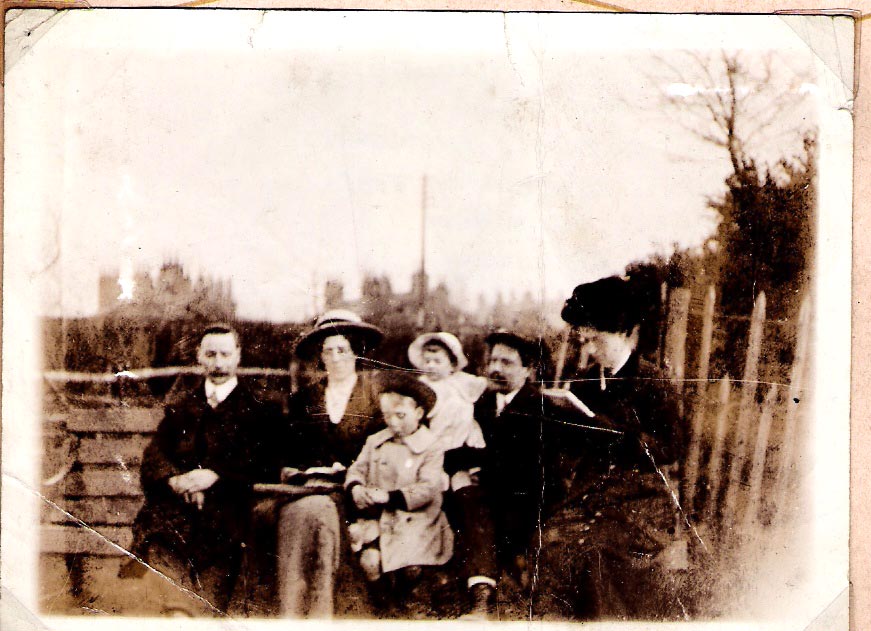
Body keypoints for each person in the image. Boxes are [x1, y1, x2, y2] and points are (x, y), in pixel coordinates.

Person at [534, 275, 687, 620]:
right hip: (592, 491)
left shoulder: (652, 382)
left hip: (641, 498)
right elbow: (574, 451)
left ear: (620, 331)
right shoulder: (586, 381)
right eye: (582, 339)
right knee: (556, 543)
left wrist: (622, 436)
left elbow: (670, 449)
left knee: (598, 551)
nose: (587, 348)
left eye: (594, 337)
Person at [123, 323, 274, 616]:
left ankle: (192, 611)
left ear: (238, 356)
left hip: (229, 510)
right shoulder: (182, 406)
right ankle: (178, 610)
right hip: (177, 510)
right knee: (158, 531)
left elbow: (266, 463)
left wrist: (216, 477)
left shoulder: (258, 409)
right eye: (211, 354)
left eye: (225, 354)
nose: (218, 363)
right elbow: (155, 455)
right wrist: (177, 480)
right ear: (200, 357)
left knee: (221, 544)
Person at [259, 310, 385, 618]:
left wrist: (352, 474)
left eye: (342, 349)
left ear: (356, 352)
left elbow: (385, 451)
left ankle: (323, 611)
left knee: (321, 513)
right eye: (327, 350)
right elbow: (290, 453)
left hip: (361, 494)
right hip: (312, 488)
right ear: (320, 356)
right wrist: (302, 470)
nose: (335, 357)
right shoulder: (305, 399)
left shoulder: (376, 396)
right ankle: (295, 610)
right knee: (304, 512)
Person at [344, 372, 453, 609]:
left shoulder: (431, 446)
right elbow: (357, 470)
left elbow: (428, 487)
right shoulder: (376, 441)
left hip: (418, 520)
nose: (392, 422)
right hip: (379, 518)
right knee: (370, 561)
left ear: (419, 413)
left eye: (400, 415)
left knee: (411, 565)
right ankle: (383, 604)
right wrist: (355, 487)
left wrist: (390, 497)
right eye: (386, 415)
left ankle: (410, 597)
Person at [407, 332, 496, 615]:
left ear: (452, 363)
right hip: (431, 455)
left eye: (438, 360)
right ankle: (431, 575)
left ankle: (476, 583)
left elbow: (491, 385)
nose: (431, 365)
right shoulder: (419, 388)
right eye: (427, 360)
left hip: (464, 453)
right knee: (433, 505)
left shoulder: (463, 384)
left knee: (468, 503)